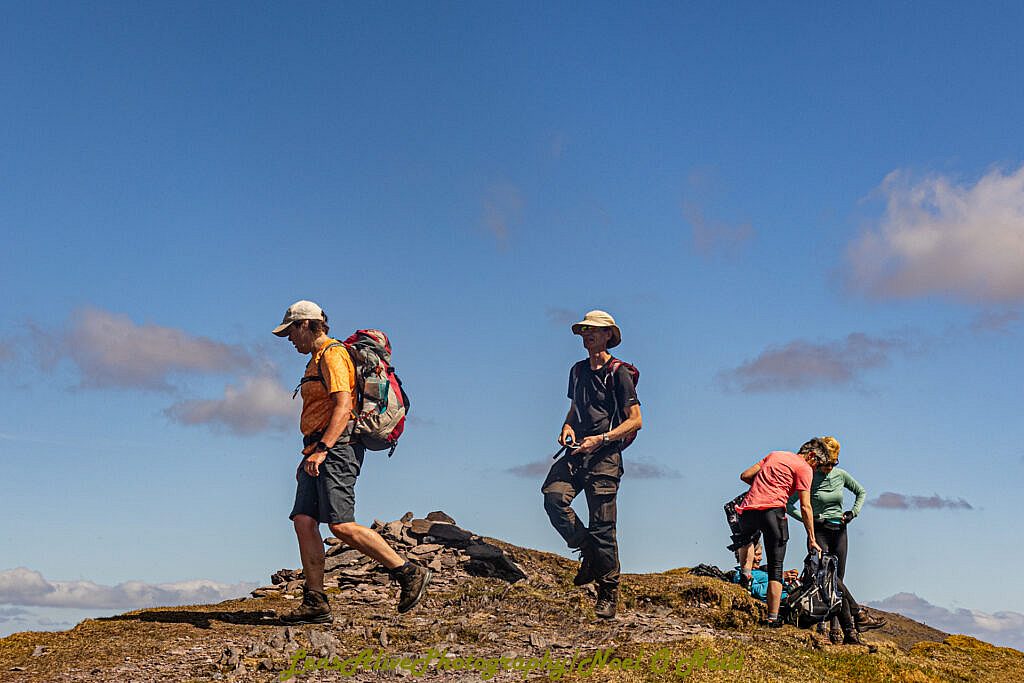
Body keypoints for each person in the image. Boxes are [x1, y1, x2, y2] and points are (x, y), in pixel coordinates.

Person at [272, 300, 430, 624]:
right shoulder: (316, 359)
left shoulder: (332, 355)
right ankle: (315, 600)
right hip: (315, 446)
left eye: (291, 331)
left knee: (341, 524)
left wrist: (324, 449)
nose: (289, 339)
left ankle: (408, 572)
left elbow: (343, 407)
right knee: (303, 520)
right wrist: (313, 450)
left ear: (306, 325)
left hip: (336, 446)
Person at [542, 310, 642, 619]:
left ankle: (608, 593)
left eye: (594, 330)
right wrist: (567, 428)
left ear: (608, 335)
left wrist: (601, 439)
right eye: (584, 330)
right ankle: (587, 550)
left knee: (603, 527)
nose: (587, 334)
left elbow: (636, 421)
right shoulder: (577, 370)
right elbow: (574, 408)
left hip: (605, 457)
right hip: (576, 453)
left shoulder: (620, 372)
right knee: (553, 497)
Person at [786, 436, 886, 644]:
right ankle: (855, 619)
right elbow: (789, 505)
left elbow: (861, 492)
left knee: (838, 580)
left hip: (839, 530)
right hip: (819, 531)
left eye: (834, 464)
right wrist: (811, 519)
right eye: (827, 464)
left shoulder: (841, 475)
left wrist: (852, 513)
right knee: (828, 576)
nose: (830, 468)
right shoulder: (809, 475)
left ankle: (845, 632)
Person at [734, 439, 825, 627]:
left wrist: (761, 486)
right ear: (812, 456)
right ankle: (773, 619)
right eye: (818, 465)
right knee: (776, 567)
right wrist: (812, 538)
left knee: (747, 540)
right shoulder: (804, 468)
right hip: (773, 512)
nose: (816, 470)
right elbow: (805, 506)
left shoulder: (775, 454)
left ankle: (745, 574)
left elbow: (745, 475)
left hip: (749, 509)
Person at [730, 541, 799, 602]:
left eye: (760, 554)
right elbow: (759, 592)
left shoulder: (763, 570)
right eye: (757, 555)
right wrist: (779, 577)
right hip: (783, 604)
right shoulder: (740, 575)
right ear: (746, 556)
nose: (761, 558)